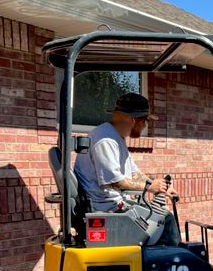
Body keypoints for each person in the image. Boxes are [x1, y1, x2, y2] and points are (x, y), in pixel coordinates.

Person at [74, 92, 180, 246]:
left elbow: (134, 173)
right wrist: (149, 187)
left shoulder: (115, 138)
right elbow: (114, 182)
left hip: (113, 206)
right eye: (145, 121)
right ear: (133, 120)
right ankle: (166, 267)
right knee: (165, 220)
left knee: (161, 218)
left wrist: (162, 188)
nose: (145, 126)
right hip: (107, 211)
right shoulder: (105, 141)